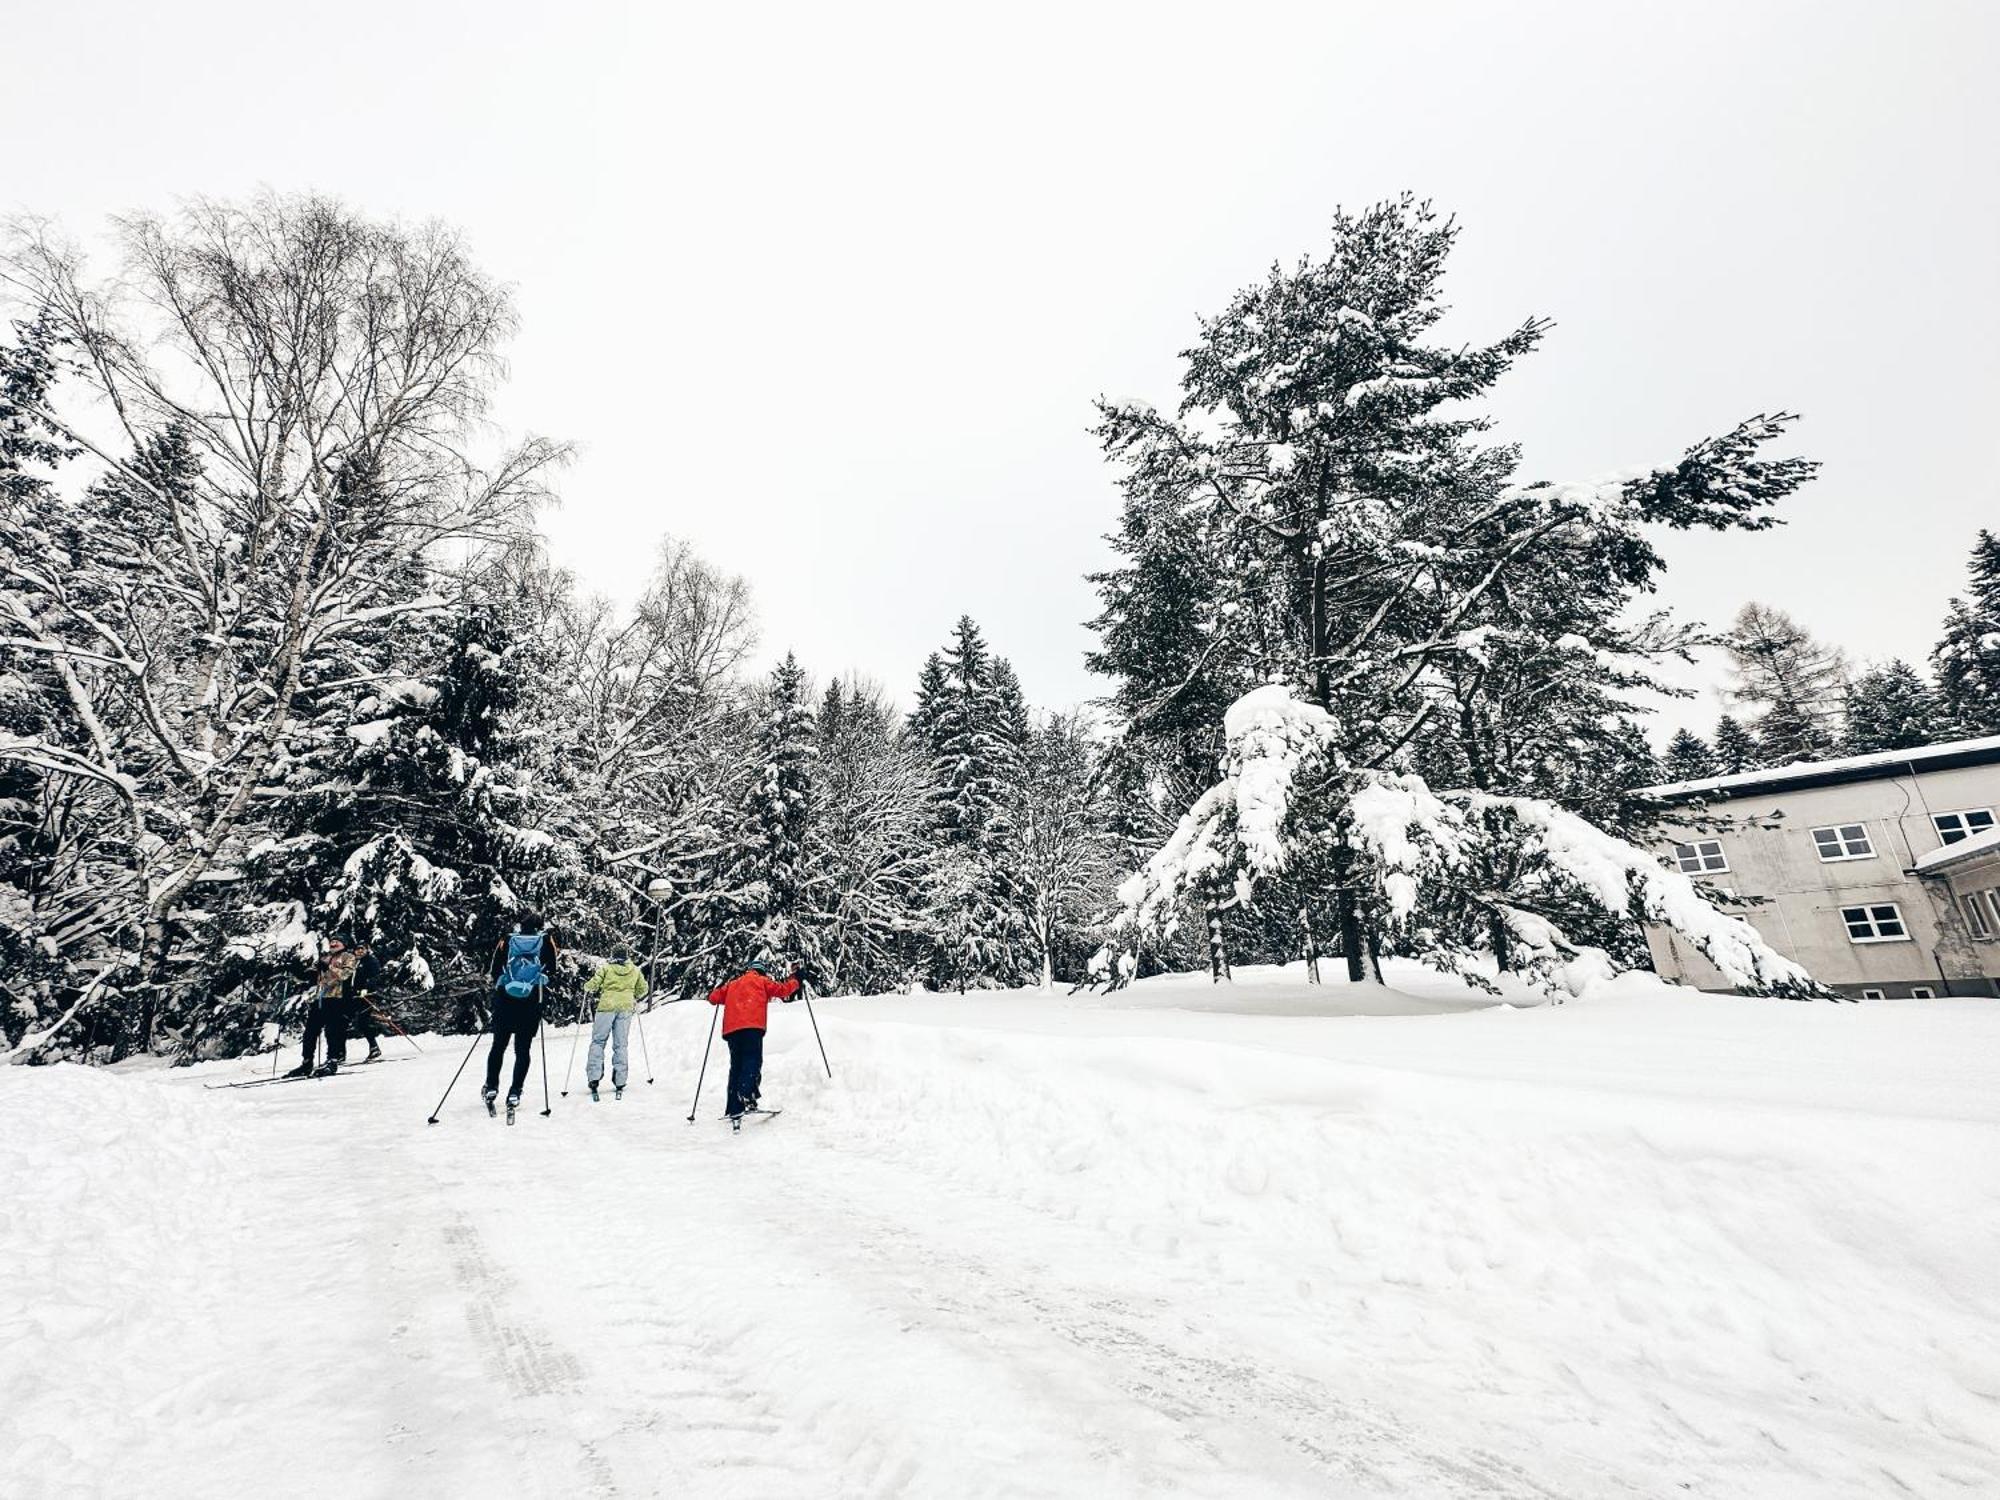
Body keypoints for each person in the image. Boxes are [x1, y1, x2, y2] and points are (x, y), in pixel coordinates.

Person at [482, 916, 561, 1117]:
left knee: (498, 1046)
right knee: (522, 1050)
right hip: (530, 1004)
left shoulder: (507, 940)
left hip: (505, 1002)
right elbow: (552, 970)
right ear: (539, 928)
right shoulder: (545, 941)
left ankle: (491, 1086)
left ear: (521, 927)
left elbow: (494, 970)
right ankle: (515, 1091)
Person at [706, 963, 802, 1119]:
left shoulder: (733, 984)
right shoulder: (762, 981)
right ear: (761, 972)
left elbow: (713, 998)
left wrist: (721, 985)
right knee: (752, 1061)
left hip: (732, 1031)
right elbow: (783, 991)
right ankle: (746, 1094)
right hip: (752, 1027)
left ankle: (733, 1107)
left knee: (736, 1066)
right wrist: (796, 980)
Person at [286, 939, 361, 1077]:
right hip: (320, 998)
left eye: (337, 942)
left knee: (332, 1031)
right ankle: (307, 1062)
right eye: (332, 942)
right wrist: (295, 969)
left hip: (338, 999)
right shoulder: (326, 957)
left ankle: (332, 1061)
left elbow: (344, 975)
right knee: (310, 1031)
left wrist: (329, 967)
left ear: (344, 944)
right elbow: (310, 975)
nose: (333, 944)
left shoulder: (348, 957)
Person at [584, 945, 649, 1101]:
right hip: (625, 1008)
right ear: (626, 956)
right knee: (621, 1044)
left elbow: (593, 984)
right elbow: (644, 989)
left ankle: (594, 1077)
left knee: (598, 1041)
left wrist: (587, 987)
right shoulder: (634, 970)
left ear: (613, 955)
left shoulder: (606, 968)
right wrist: (632, 994)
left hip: (606, 1007)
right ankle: (620, 1080)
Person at [348, 939, 388, 1063]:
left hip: (368, 995)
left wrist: (367, 988)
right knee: (351, 1022)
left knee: (362, 1021)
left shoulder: (371, 961)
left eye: (362, 949)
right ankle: (338, 1053)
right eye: (357, 949)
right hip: (355, 996)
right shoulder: (354, 962)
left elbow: (375, 977)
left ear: (367, 950)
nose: (359, 951)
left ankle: (374, 1047)